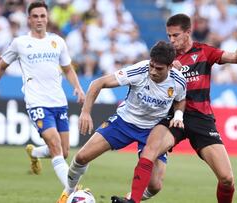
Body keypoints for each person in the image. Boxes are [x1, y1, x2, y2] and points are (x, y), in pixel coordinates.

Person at [111, 13, 237, 203]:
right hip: (172, 116)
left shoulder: (204, 52)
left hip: (201, 119)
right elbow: (151, 75)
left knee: (227, 179)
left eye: (175, 35)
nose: (171, 40)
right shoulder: (166, 57)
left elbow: (235, 58)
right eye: (169, 36)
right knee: (149, 152)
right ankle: (132, 201)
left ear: (188, 32)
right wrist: (169, 68)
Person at [57, 41, 187, 203]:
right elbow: (98, 83)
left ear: (169, 67)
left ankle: (129, 199)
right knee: (81, 157)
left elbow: (180, 99)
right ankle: (67, 193)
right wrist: (85, 112)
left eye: (158, 69)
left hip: (154, 131)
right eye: (151, 66)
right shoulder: (140, 70)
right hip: (124, 123)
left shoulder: (178, 81)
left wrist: (178, 116)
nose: (153, 71)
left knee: (155, 186)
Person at [0, 0, 85, 195]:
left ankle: (33, 153)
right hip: (37, 103)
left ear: (47, 18)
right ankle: (72, 193)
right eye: (35, 16)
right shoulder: (20, 43)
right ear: (29, 19)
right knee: (56, 146)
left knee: (64, 151)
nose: (39, 20)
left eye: (42, 16)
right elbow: (1, 67)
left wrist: (78, 87)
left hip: (59, 102)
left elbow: (68, 69)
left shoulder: (57, 41)